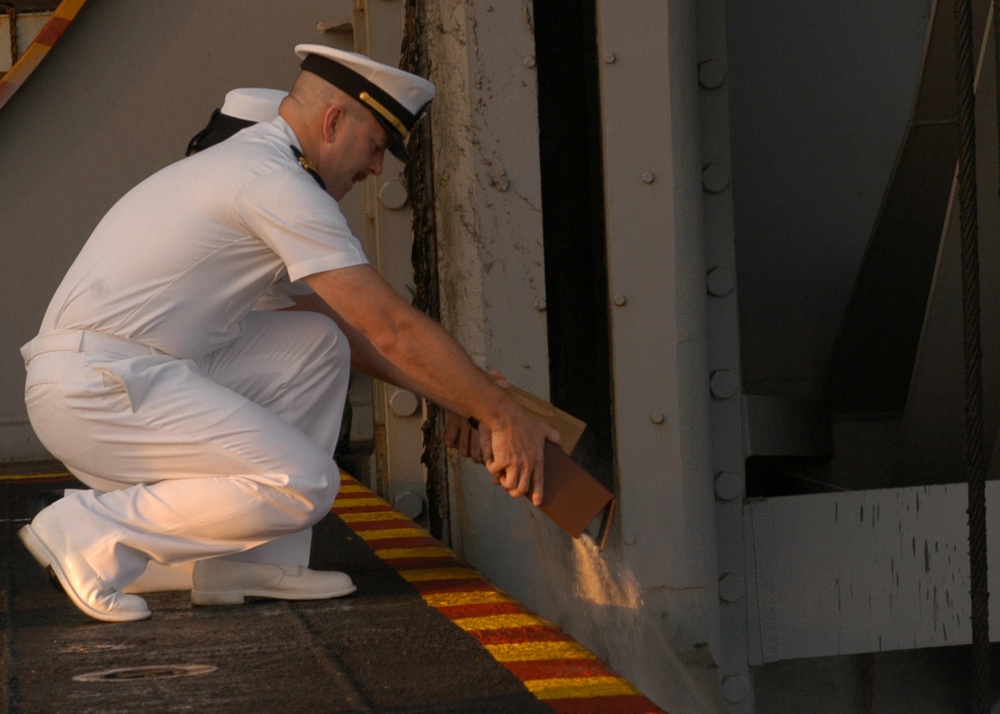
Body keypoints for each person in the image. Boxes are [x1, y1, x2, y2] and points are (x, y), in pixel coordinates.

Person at [18, 44, 559, 623]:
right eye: (376, 146)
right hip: (101, 391)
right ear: (332, 122)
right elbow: (391, 328)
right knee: (303, 482)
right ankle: (85, 528)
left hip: (122, 375)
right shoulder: (275, 183)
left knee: (314, 344)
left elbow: (346, 332)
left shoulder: (256, 165)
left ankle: (248, 563)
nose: (377, 168)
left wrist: (461, 396)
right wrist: (499, 413)